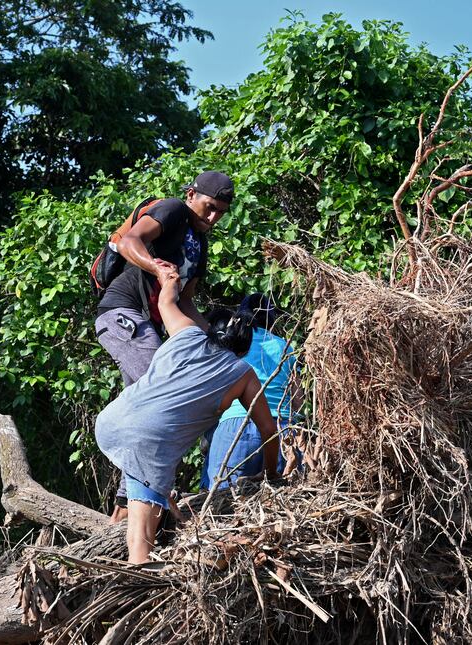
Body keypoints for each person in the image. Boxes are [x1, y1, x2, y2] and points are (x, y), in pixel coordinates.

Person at [95, 272, 280, 564]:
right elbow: (268, 430)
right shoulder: (243, 374)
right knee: (142, 545)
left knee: (139, 507)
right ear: (242, 349)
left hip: (112, 421)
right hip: (149, 444)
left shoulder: (186, 332)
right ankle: (136, 584)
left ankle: (140, 530)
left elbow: (168, 300)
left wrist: (172, 276)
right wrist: (272, 475)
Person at [94, 170, 234, 520]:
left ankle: (125, 509)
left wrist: (217, 340)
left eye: (221, 212)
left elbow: (185, 302)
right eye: (209, 207)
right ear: (191, 195)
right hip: (123, 313)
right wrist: (156, 269)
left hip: (149, 326)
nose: (213, 216)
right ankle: (156, 495)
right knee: (165, 394)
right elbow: (130, 242)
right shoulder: (172, 211)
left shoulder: (199, 246)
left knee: (144, 412)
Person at [201, 294, 303, 490]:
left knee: (224, 503)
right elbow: (297, 400)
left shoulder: (234, 342)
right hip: (282, 429)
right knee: (280, 502)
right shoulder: (285, 346)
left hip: (236, 425)